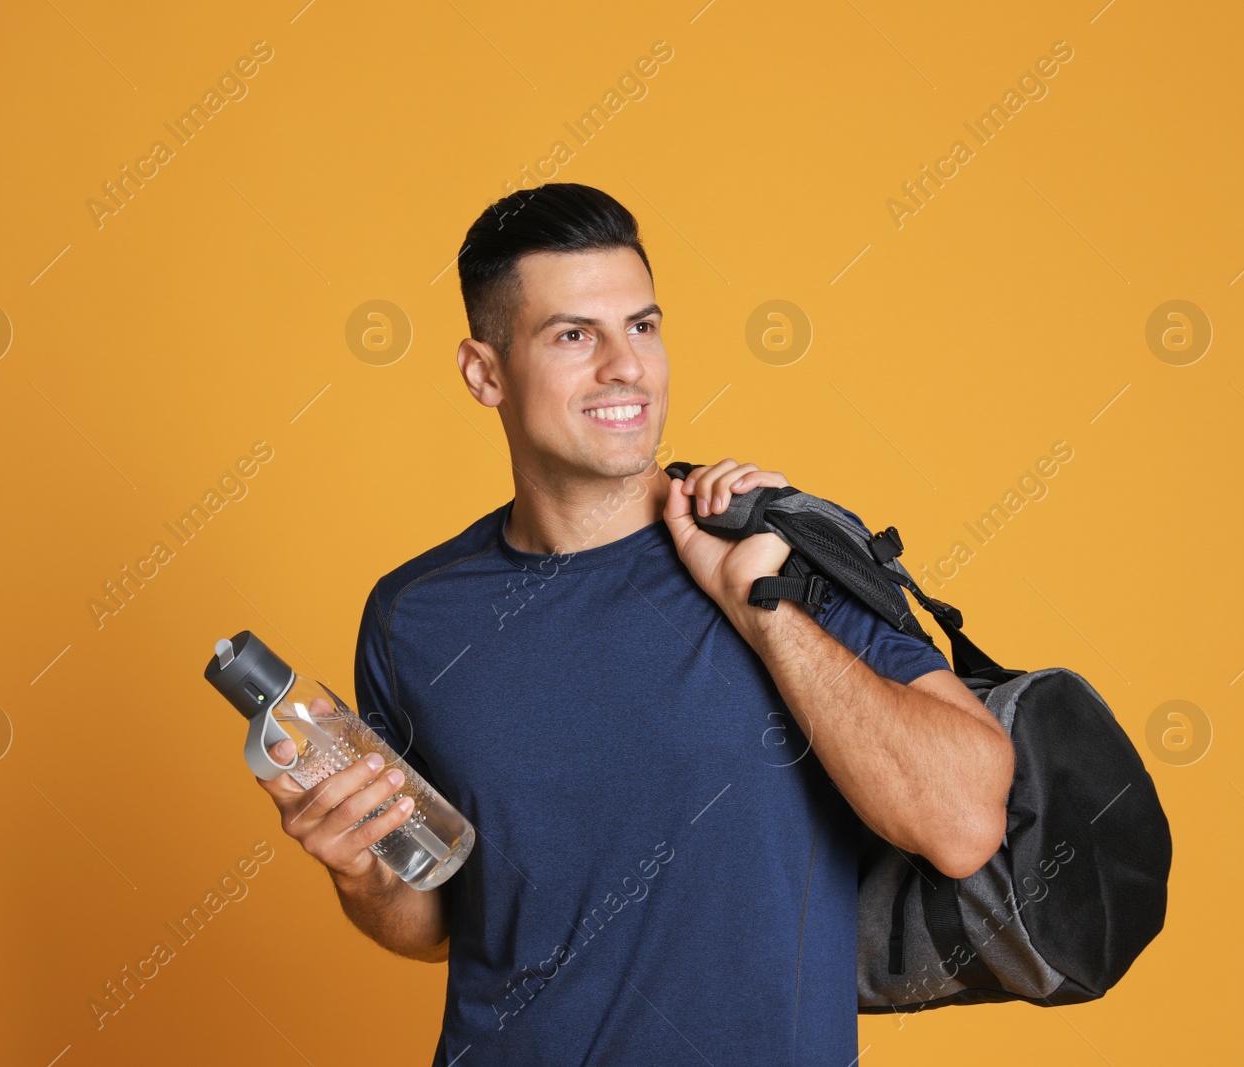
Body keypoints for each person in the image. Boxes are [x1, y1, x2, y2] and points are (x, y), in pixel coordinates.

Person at [255, 182, 1014, 1064]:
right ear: (484, 371)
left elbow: (962, 821)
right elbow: (436, 923)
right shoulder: (414, 615)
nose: (627, 366)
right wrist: (358, 870)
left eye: (643, 327)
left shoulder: (775, 552)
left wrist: (761, 610)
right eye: (575, 335)